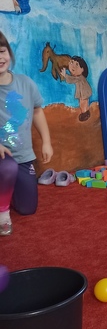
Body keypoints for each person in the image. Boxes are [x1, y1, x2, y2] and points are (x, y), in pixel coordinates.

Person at [0, 30, 53, 236]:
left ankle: (7, 189)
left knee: (27, 208)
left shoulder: (25, 83)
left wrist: (46, 141)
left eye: (1, 51)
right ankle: (3, 214)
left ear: (9, 53)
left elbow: (37, 110)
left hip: (23, 155)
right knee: (7, 167)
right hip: (2, 157)